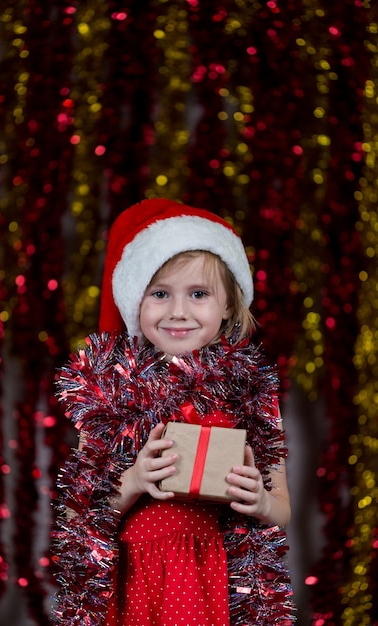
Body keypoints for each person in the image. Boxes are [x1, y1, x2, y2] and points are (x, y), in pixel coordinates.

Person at [52, 198, 295, 625]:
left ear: (228, 307)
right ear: (135, 304)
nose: (178, 311)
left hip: (215, 578)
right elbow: (76, 513)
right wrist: (134, 481)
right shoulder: (112, 392)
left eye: (198, 294)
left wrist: (259, 501)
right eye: (160, 294)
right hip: (133, 578)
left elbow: (282, 508)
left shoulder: (249, 392)